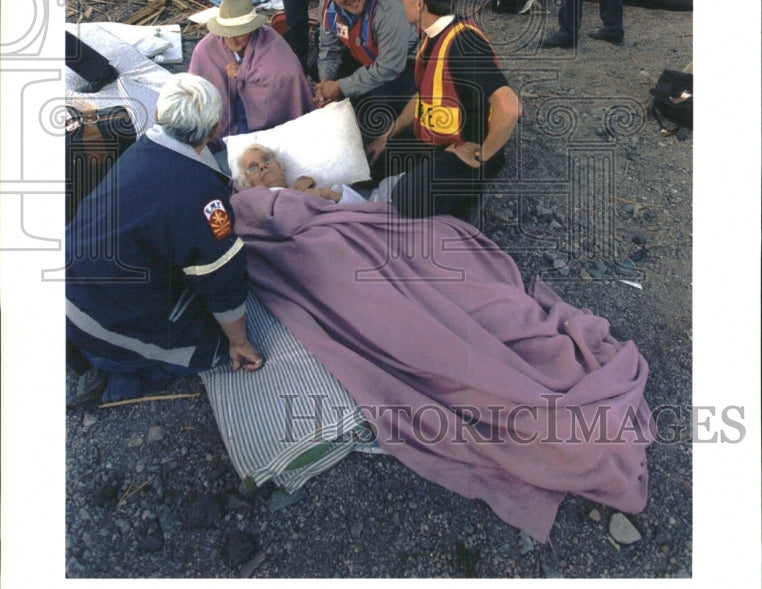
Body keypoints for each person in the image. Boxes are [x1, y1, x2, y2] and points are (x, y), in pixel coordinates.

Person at [230, 180, 652, 544]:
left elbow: (381, 215)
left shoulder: (319, 190)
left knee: (479, 292)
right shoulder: (254, 200)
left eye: (266, 160)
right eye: (251, 166)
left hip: (386, 243)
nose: (262, 169)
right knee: (401, 329)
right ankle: (520, 399)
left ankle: (530, 369)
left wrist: (324, 195)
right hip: (329, 259)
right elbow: (254, 227)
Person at [66, 73, 264, 406]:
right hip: (102, 314)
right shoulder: (201, 196)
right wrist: (239, 342)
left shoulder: (140, 151)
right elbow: (222, 278)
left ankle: (95, 352)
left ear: (158, 115)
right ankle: (116, 370)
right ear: (214, 130)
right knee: (211, 345)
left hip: (68, 288)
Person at [366, 0, 521, 220]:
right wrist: (388, 135)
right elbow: (422, 96)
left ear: (420, 1)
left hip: (467, 150)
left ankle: (470, 192)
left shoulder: (462, 44)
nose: (400, 2)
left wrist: (482, 154)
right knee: (375, 161)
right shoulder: (434, 35)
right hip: (441, 139)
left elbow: (510, 107)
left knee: (408, 200)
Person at [189, 0, 315, 153]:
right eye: (227, 33)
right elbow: (196, 88)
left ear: (252, 29)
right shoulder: (207, 48)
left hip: (267, 115)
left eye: (239, 32)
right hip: (229, 113)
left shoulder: (270, 41)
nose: (232, 39)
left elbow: (287, 74)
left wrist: (244, 73)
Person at [315, 0, 419, 140]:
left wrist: (340, 86)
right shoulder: (328, 3)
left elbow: (390, 67)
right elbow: (329, 50)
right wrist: (325, 84)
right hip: (366, 57)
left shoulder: (387, 6)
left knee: (374, 107)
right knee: (315, 68)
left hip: (407, 65)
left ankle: (394, 142)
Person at [236, 142, 366, 204]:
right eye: (252, 168)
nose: (262, 166)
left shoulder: (313, 190)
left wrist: (329, 194)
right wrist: (295, 192)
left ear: (280, 167)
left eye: (266, 159)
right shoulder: (257, 206)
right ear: (249, 185)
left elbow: (363, 208)